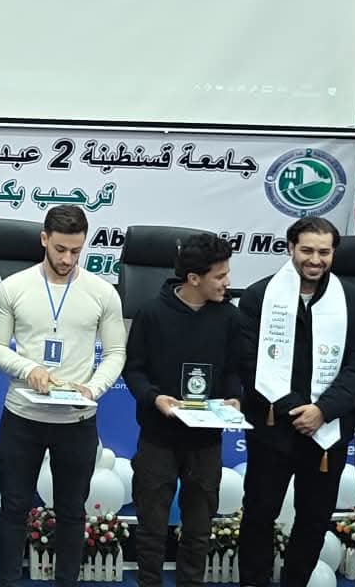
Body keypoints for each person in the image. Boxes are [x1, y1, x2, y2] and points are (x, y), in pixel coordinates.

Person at [0, 204, 126, 587]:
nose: (67, 259)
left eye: (76, 251)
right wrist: (27, 369)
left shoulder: (102, 293)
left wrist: (93, 388)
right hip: (22, 416)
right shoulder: (12, 288)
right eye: (60, 249)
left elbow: (116, 352)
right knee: (13, 507)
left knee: (71, 510)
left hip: (77, 420)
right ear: (44, 240)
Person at [237, 217, 355, 587]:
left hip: (328, 431)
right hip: (272, 428)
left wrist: (322, 410)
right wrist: (293, 408)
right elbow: (247, 361)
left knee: (314, 519)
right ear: (290, 249)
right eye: (307, 250)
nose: (315, 260)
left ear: (334, 254)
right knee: (259, 514)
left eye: (324, 252)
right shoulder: (258, 297)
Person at [123, 233, 241, 587]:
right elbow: (134, 370)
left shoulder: (230, 317)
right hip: (158, 438)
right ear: (193, 279)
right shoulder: (151, 313)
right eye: (220, 276)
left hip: (206, 441)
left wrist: (234, 397)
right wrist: (154, 398)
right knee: (151, 527)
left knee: (199, 528)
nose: (227, 282)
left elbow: (235, 369)